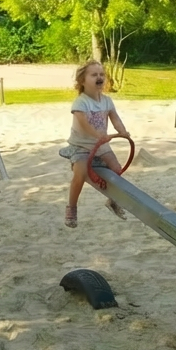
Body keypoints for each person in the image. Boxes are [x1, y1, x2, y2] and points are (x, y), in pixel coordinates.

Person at [63, 61, 132, 228]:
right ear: (82, 80)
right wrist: (98, 135)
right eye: (94, 75)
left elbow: (115, 118)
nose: (99, 77)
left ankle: (113, 200)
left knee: (116, 169)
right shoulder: (81, 102)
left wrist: (122, 131)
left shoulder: (107, 101)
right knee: (80, 173)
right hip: (81, 145)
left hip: (101, 145)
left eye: (101, 74)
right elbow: (84, 123)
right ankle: (71, 207)